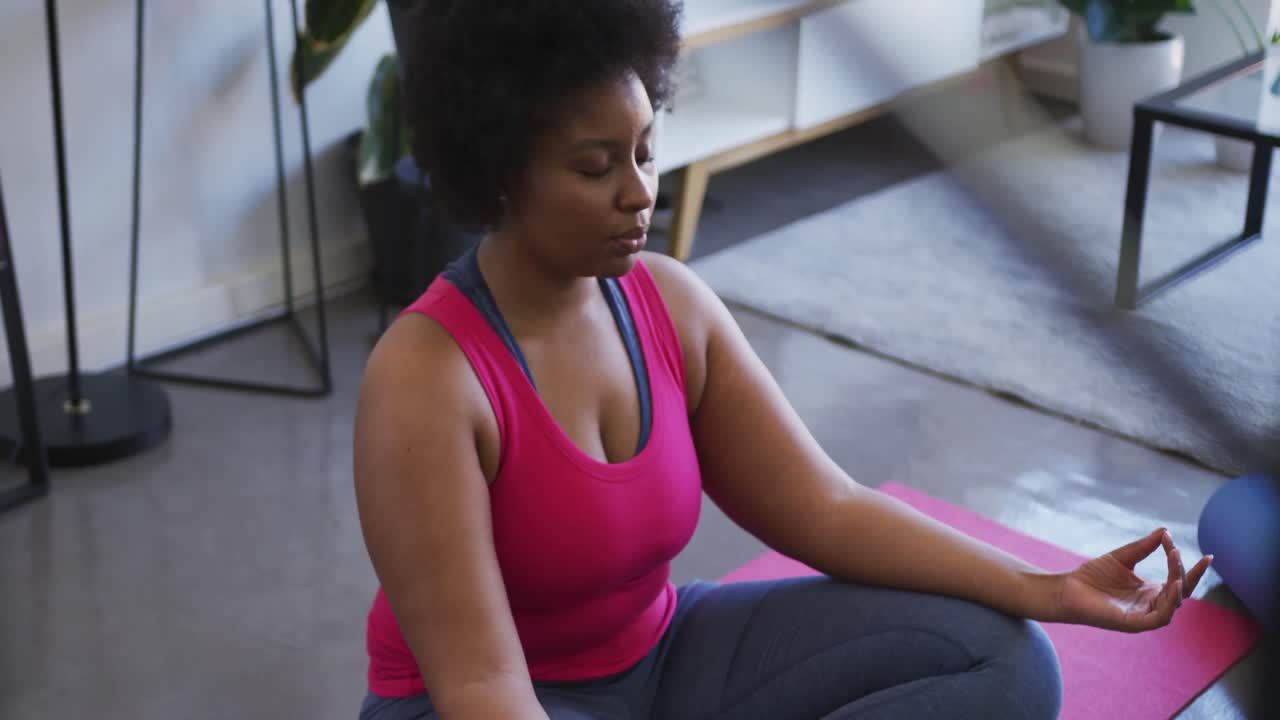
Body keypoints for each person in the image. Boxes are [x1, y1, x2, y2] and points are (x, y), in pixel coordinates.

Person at [352, 2, 1212, 718]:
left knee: (1001, 662)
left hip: (664, 658)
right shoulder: (427, 376)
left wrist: (1047, 588)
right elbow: (482, 685)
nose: (641, 192)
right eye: (595, 167)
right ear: (502, 172)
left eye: (645, 150)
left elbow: (828, 509)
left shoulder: (670, 304)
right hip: (488, 703)